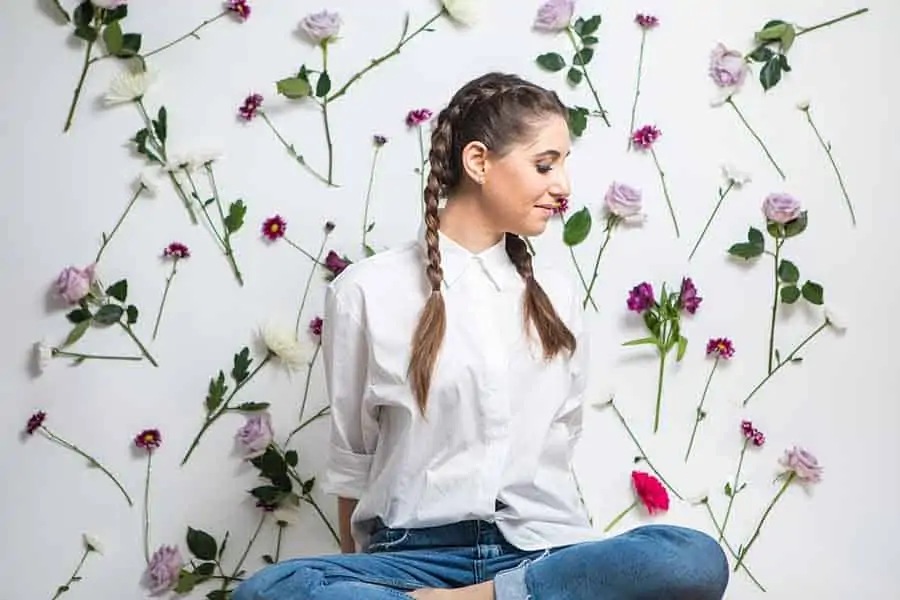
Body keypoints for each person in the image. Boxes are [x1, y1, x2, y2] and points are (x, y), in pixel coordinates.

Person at [233, 72, 729, 600]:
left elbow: (563, 441)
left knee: (692, 559)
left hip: (541, 554)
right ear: (478, 162)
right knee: (272, 591)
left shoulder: (557, 297)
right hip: (411, 559)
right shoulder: (366, 292)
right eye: (546, 164)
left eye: (563, 164)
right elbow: (354, 463)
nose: (563, 186)